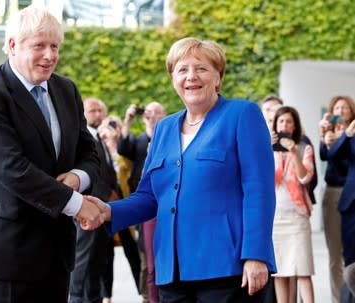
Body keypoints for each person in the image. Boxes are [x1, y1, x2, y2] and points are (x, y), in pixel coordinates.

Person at [84, 37, 277, 303]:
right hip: (172, 272)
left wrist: (256, 255)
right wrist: (108, 211)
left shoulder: (242, 115)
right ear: (173, 79)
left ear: (218, 77)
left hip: (227, 268)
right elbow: (149, 197)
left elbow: (259, 191)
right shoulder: (164, 129)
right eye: (182, 70)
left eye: (201, 68)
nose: (191, 77)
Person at [0, 6, 102, 303]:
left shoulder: (66, 90)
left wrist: (78, 177)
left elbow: (89, 150)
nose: (50, 55)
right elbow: (11, 168)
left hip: (56, 254)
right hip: (5, 256)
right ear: (12, 45)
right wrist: (76, 204)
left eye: (55, 46)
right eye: (39, 45)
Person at [69, 98, 120, 303]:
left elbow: (108, 172)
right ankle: (77, 299)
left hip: (104, 210)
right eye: (92, 110)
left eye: (100, 110)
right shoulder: (81, 140)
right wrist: (105, 197)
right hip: (89, 208)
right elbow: (90, 175)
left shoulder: (100, 138)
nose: (97, 114)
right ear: (82, 113)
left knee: (99, 261)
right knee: (84, 261)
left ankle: (93, 298)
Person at [118, 101, 166, 303]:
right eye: (148, 111)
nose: (151, 115)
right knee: (147, 257)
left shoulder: (168, 138)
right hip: (144, 202)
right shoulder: (138, 141)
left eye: (156, 112)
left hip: (164, 201)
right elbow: (122, 148)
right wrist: (127, 121)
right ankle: (148, 297)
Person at [270, 106, 315, 303]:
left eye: (289, 121)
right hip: (275, 218)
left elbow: (305, 178)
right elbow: (263, 179)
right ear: (275, 125)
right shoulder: (267, 148)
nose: (285, 125)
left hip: (297, 217)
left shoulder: (304, 148)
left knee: (303, 271)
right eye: (281, 121)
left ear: (295, 125)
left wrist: (294, 153)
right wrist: (265, 147)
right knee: (279, 273)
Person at [97, 115, 142, 303]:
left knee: (132, 250)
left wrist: (116, 144)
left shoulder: (124, 150)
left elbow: (128, 168)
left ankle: (141, 292)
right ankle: (106, 296)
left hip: (124, 205)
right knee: (106, 254)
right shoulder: (96, 148)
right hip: (105, 206)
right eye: (107, 125)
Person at [318, 95, 355, 303]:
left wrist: (346, 136)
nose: (340, 111)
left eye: (345, 108)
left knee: (350, 255)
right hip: (333, 193)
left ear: (351, 112)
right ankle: (336, 299)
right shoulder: (329, 133)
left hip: (351, 195)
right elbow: (326, 156)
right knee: (335, 255)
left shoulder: (352, 134)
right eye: (337, 108)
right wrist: (324, 135)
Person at [327, 118, 355, 300]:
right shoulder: (351, 135)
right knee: (350, 264)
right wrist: (347, 134)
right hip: (351, 205)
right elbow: (333, 155)